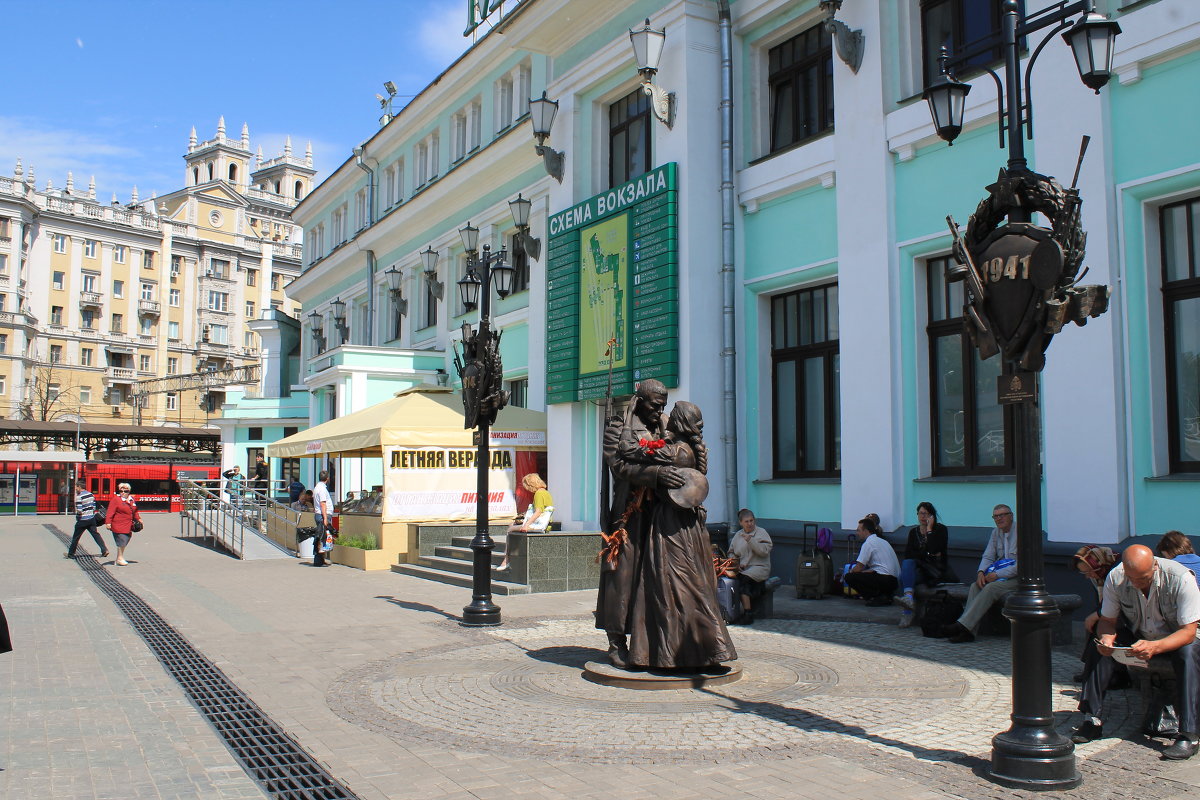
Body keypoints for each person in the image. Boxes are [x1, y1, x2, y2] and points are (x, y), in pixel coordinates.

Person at [595, 383, 736, 670]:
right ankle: (616, 641)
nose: (660, 411)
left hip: (663, 514)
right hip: (630, 514)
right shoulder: (619, 425)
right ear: (639, 400)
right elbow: (618, 465)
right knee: (623, 576)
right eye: (654, 405)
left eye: (664, 405)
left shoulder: (664, 424)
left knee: (658, 583)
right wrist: (657, 475)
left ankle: (654, 646)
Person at [1072, 545, 1200, 760]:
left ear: (1155, 566)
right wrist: (1107, 638)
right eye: (1132, 578)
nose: (1137, 584)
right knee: (1099, 648)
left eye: (1143, 578)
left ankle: (1189, 734)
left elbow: (1188, 632)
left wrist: (1156, 647)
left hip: (1176, 638)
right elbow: (1108, 621)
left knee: (1188, 654)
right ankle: (1091, 719)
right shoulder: (1117, 577)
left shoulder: (1180, 578)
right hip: (1141, 635)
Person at [1068, 544, 1128, 743]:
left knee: (1098, 629)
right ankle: (1091, 717)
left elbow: (1120, 610)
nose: (1087, 576)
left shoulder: (1119, 577)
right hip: (1115, 624)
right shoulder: (1100, 580)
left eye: (1089, 572)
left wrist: (1097, 615)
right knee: (1099, 644)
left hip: (1132, 626)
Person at [942, 503, 1017, 644]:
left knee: (990, 588)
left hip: (1017, 578)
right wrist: (981, 572)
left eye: (1002, 515)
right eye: (996, 516)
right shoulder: (996, 532)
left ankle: (962, 625)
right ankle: (968, 632)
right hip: (1000, 578)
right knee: (975, 586)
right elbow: (988, 556)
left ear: (1011, 516)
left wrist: (998, 575)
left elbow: (1021, 566)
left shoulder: (1021, 532)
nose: (999, 519)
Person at [897, 501, 956, 627]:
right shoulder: (913, 532)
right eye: (921, 513)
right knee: (906, 566)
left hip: (934, 570)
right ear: (917, 515)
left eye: (927, 514)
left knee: (904, 578)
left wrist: (929, 530)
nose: (923, 517)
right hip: (918, 568)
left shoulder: (940, 529)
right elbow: (909, 554)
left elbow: (934, 549)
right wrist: (927, 554)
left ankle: (907, 611)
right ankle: (908, 601)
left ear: (932, 516)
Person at [497, 473, 553, 572]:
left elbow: (538, 511)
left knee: (510, 529)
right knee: (512, 525)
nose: (526, 489)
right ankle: (508, 557)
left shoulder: (538, 494)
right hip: (546, 524)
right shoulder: (545, 492)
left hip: (539, 525)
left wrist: (527, 524)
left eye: (526, 486)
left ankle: (506, 559)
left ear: (530, 484)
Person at [726, 508, 772, 624]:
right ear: (741, 523)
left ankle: (748, 613)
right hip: (743, 568)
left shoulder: (761, 533)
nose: (750, 523)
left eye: (751, 521)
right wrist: (736, 562)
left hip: (759, 567)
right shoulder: (738, 535)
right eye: (746, 521)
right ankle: (734, 612)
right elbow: (731, 552)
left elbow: (764, 551)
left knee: (743, 580)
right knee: (732, 580)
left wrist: (751, 541)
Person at [844, 515, 901, 606]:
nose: (857, 533)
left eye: (859, 530)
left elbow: (859, 567)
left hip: (885, 580)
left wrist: (850, 571)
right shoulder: (882, 541)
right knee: (864, 574)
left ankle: (875, 597)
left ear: (866, 531)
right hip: (894, 582)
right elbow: (878, 567)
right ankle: (885, 596)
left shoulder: (868, 543)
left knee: (849, 577)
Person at [65, 484, 109, 561]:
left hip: (82, 520)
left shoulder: (79, 497)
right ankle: (104, 549)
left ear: (79, 487)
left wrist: (78, 517)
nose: (75, 489)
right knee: (96, 535)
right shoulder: (91, 494)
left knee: (76, 537)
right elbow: (94, 507)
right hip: (91, 519)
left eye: (76, 487)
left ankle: (71, 554)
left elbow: (79, 510)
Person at [106, 482, 142, 567]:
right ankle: (120, 558)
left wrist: (138, 518)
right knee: (121, 540)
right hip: (118, 524)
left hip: (128, 524)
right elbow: (110, 512)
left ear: (129, 491)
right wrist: (108, 522)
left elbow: (135, 510)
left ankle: (119, 557)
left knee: (126, 539)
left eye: (125, 491)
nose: (123, 493)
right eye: (121, 491)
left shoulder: (132, 499)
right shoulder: (116, 500)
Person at [312, 470, 334, 567]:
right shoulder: (322, 489)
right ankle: (318, 561)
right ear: (327, 478)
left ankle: (321, 559)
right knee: (321, 538)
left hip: (319, 514)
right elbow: (322, 504)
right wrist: (325, 518)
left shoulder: (317, 487)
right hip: (322, 515)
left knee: (322, 537)